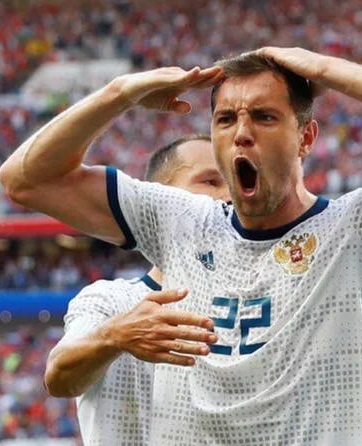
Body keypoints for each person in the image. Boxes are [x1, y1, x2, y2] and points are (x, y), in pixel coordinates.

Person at [0, 47, 362, 444]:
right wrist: (121, 92)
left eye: (265, 117)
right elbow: (26, 179)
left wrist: (325, 69)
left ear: (306, 137)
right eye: (226, 119)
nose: (242, 133)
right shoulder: (181, 222)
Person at [44, 135, 230, 445]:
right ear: (157, 198)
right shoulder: (111, 300)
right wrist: (115, 337)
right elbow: (59, 377)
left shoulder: (258, 301)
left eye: (235, 184)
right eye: (210, 181)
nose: (228, 196)